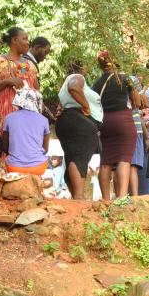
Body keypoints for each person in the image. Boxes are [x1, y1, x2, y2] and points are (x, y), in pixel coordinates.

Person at [91, 50, 139, 200]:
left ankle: (106, 200)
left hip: (104, 122)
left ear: (101, 65)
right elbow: (137, 103)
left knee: (105, 161)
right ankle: (121, 199)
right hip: (123, 120)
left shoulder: (96, 84)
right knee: (124, 159)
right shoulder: (124, 78)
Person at [55, 59, 103, 200]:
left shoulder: (64, 84)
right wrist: (86, 106)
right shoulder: (77, 77)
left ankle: (76, 198)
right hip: (80, 122)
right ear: (83, 69)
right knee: (79, 158)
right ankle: (79, 197)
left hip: (68, 121)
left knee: (71, 157)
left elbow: (61, 106)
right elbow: (74, 87)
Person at [0, 27, 39, 132]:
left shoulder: (28, 64)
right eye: (24, 39)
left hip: (27, 122)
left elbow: (37, 90)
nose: (28, 43)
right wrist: (7, 81)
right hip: (4, 118)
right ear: (14, 40)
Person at [3, 87, 51, 175]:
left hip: (14, 167)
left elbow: (5, 147)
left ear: (18, 100)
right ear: (37, 101)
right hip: (38, 167)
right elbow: (45, 149)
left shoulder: (9, 118)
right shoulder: (44, 120)